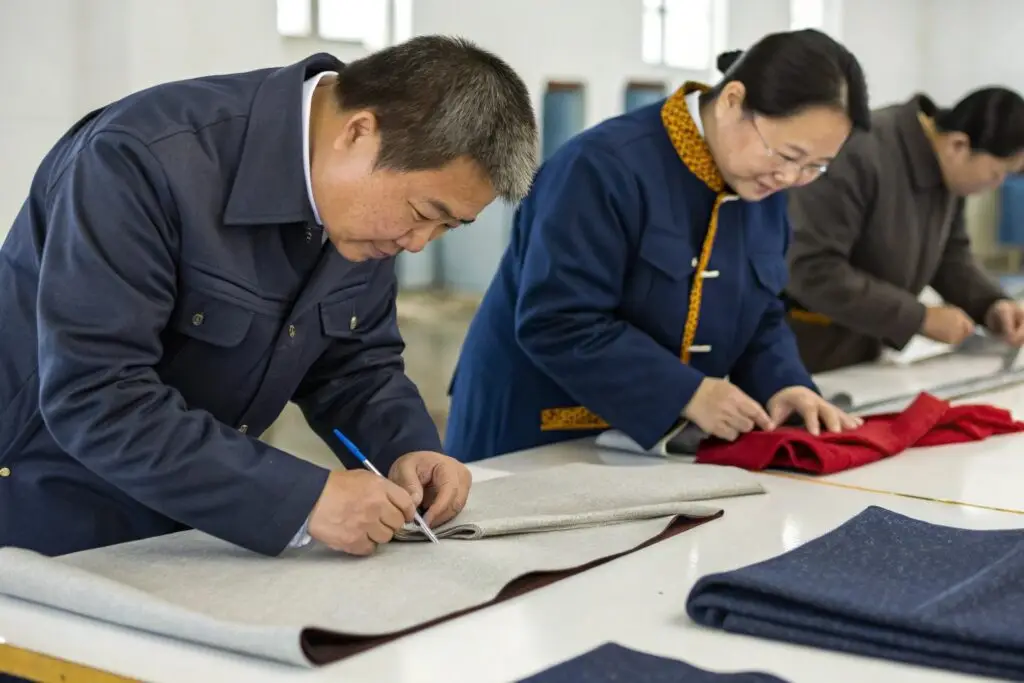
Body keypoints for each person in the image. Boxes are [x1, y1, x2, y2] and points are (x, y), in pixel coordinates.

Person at [0, 36, 538, 557]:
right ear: (359, 132)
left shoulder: (362, 211)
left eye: (449, 227)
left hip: (194, 518)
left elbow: (355, 364)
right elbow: (96, 394)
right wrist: (302, 500)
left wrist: (407, 449)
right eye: (423, 214)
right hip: (48, 515)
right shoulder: (140, 159)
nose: (418, 244)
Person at [444, 29, 866, 464]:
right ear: (732, 101)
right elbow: (557, 320)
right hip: (534, 431)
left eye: (815, 167)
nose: (791, 177)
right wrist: (688, 392)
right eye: (786, 153)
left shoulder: (762, 189)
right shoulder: (601, 167)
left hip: (650, 443)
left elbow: (760, 310)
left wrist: (785, 383)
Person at [785, 87, 1024, 373]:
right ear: (959, 145)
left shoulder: (948, 172)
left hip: (863, 353)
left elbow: (949, 255)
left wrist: (991, 304)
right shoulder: (861, 150)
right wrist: (918, 318)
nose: (997, 186)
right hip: (801, 351)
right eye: (997, 174)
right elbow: (811, 266)